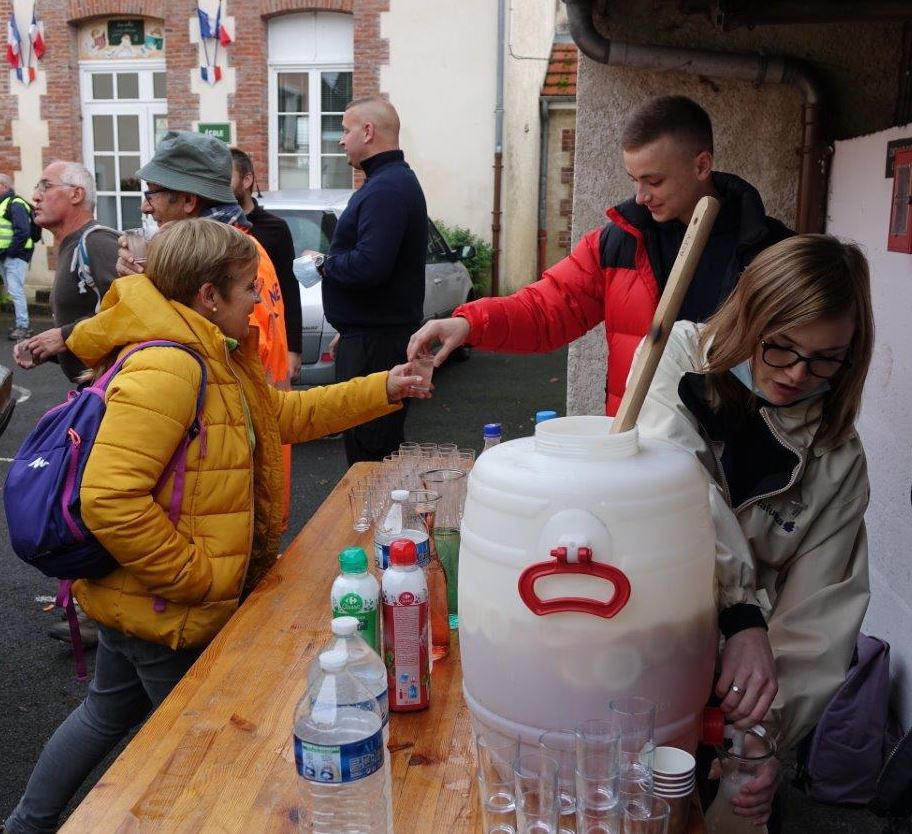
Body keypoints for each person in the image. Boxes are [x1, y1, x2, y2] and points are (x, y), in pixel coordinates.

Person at [1, 218, 432, 834]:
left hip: (141, 603)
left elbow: (283, 415)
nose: (261, 297)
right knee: (213, 759)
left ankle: (27, 823)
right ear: (209, 296)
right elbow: (110, 499)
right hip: (166, 609)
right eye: (248, 286)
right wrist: (198, 578)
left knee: (104, 715)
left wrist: (383, 387)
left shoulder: (212, 352)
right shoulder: (173, 368)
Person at [636, 234, 873, 828]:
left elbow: (819, 620)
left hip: (740, 709)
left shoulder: (837, 459)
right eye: (781, 347)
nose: (797, 373)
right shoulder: (677, 354)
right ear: (749, 315)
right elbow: (679, 490)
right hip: (635, 670)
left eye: (826, 357)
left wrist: (760, 735)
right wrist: (741, 612)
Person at [407, 95, 792, 416]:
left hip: (738, 461)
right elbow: (546, 309)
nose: (641, 196)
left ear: (701, 164)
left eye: (654, 180)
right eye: (634, 180)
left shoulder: (772, 250)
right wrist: (469, 324)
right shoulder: (618, 242)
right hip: (643, 448)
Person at [302, 96, 428, 465]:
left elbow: (371, 265)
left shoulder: (386, 188)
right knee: (371, 448)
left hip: (375, 346)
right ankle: (375, 521)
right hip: (370, 338)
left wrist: (322, 263)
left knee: (370, 455)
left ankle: (375, 524)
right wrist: (354, 328)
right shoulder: (387, 182)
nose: (341, 140)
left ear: (368, 131)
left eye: (345, 130)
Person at [14, 161, 119, 382]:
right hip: (95, 389)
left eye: (45, 186)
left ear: (76, 194)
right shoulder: (72, 245)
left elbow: (132, 314)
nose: (35, 197)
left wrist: (63, 336)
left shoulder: (97, 242)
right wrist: (47, 348)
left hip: (114, 390)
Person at [230, 147, 303, 381]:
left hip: (270, 346)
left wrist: (294, 349)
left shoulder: (275, 228)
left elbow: (289, 290)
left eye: (226, 176)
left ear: (247, 179)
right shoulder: (215, 230)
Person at [0, 173, 37, 341]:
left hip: (15, 256)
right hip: (7, 256)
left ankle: (23, 326)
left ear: (4, 187)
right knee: (13, 291)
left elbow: (23, 231)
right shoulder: (5, 204)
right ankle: (20, 324)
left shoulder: (15, 204)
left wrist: (10, 252)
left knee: (16, 291)